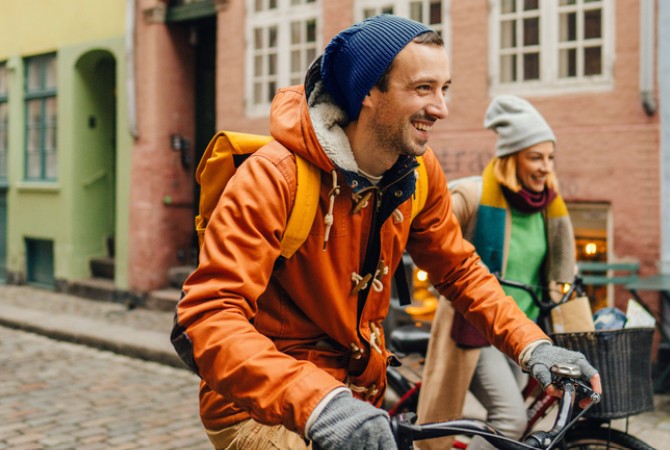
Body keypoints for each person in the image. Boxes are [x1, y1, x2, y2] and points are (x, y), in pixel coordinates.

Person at [171, 15, 601, 450]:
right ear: (368, 93)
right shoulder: (275, 177)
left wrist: (533, 345)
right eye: (422, 89)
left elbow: (459, 270)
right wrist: (320, 402)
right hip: (263, 405)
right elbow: (207, 317)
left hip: (358, 397)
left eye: (444, 88)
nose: (441, 108)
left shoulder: (418, 171)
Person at [416, 95, 580, 450]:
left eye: (550, 158)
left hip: (522, 332)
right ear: (512, 159)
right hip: (476, 330)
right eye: (535, 157)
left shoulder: (548, 207)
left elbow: (559, 269)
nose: (545, 168)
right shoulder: (474, 195)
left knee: (513, 420)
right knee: (511, 419)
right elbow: (427, 234)